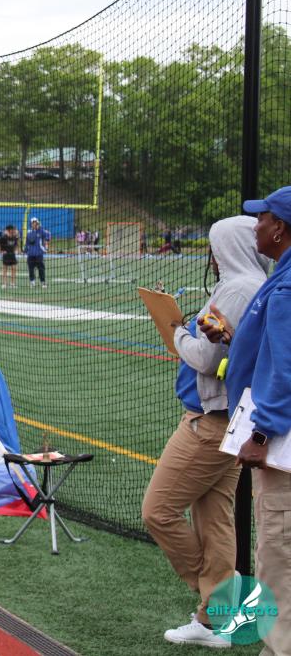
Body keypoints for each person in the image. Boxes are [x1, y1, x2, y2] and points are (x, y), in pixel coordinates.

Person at [141, 216, 270, 648]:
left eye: (215, 248)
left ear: (228, 247)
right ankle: (214, 622)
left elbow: (205, 357)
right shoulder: (254, 283)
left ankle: (221, 601)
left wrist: (174, 331)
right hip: (231, 421)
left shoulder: (237, 289)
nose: (212, 258)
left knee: (157, 511)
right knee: (215, 519)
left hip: (211, 422)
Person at [198, 186, 291, 655]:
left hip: (280, 445)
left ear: (280, 228)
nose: (256, 225)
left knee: (278, 558)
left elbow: (286, 368)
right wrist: (238, 341)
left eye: (263, 217)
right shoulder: (281, 277)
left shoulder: (287, 286)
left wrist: (260, 431)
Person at [23, 217, 51, 288]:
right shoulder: (29, 232)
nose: (34, 224)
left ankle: (43, 282)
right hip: (31, 254)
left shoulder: (41, 231)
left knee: (41, 269)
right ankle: (32, 282)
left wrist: (46, 244)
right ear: (31, 224)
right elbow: (27, 243)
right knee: (31, 269)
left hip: (39, 254)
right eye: (33, 223)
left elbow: (48, 235)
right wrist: (25, 251)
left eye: (36, 222)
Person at [0, 224, 19, 289]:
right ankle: (4, 284)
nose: (13, 230)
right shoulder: (4, 237)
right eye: (12, 229)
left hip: (12, 255)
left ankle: (13, 284)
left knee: (14, 269)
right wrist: (0, 252)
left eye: (13, 229)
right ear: (9, 230)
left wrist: (16, 250)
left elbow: (16, 244)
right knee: (5, 269)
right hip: (6, 255)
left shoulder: (14, 237)